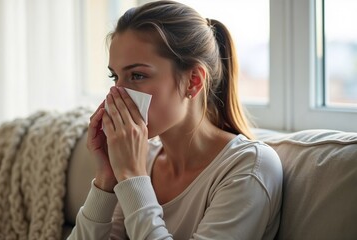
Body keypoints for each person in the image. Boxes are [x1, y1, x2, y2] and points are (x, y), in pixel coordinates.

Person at [68, 1, 282, 239]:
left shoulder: (249, 167)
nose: (116, 94)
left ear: (193, 81)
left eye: (137, 75)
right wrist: (106, 179)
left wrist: (132, 177)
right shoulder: (142, 158)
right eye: (115, 77)